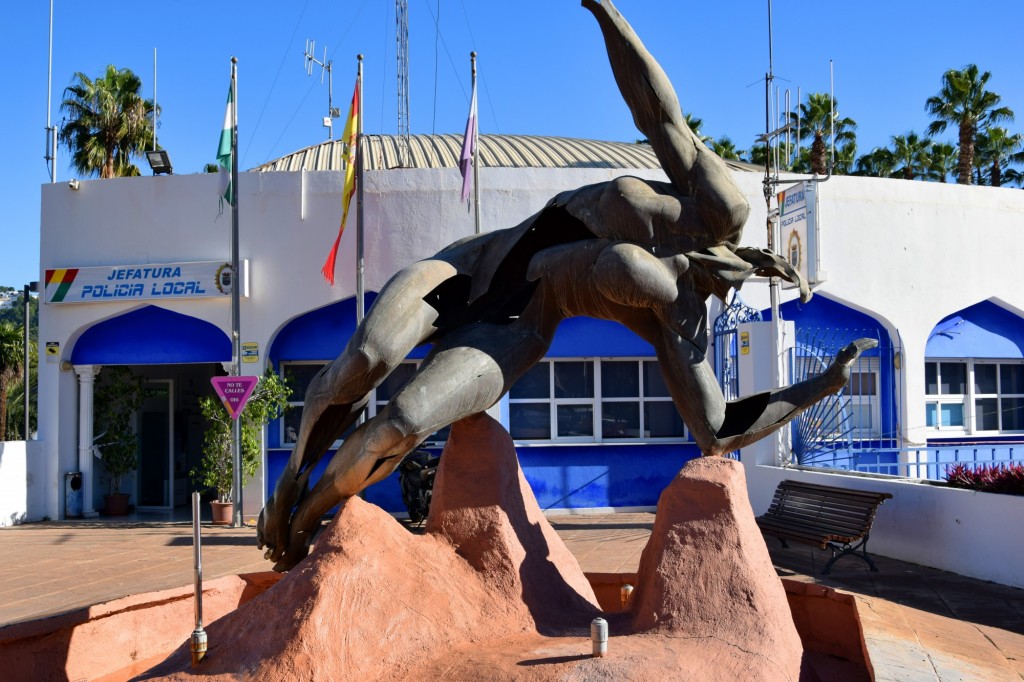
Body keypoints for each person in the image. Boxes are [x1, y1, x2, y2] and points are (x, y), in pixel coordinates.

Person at [257, 0, 873, 570]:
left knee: (402, 421)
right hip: (473, 268)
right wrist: (606, 10)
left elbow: (719, 431)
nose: (719, 289)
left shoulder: (681, 318)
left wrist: (823, 384)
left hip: (512, 330)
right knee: (368, 354)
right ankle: (290, 481)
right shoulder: (711, 209)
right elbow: (658, 110)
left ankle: (308, 515)